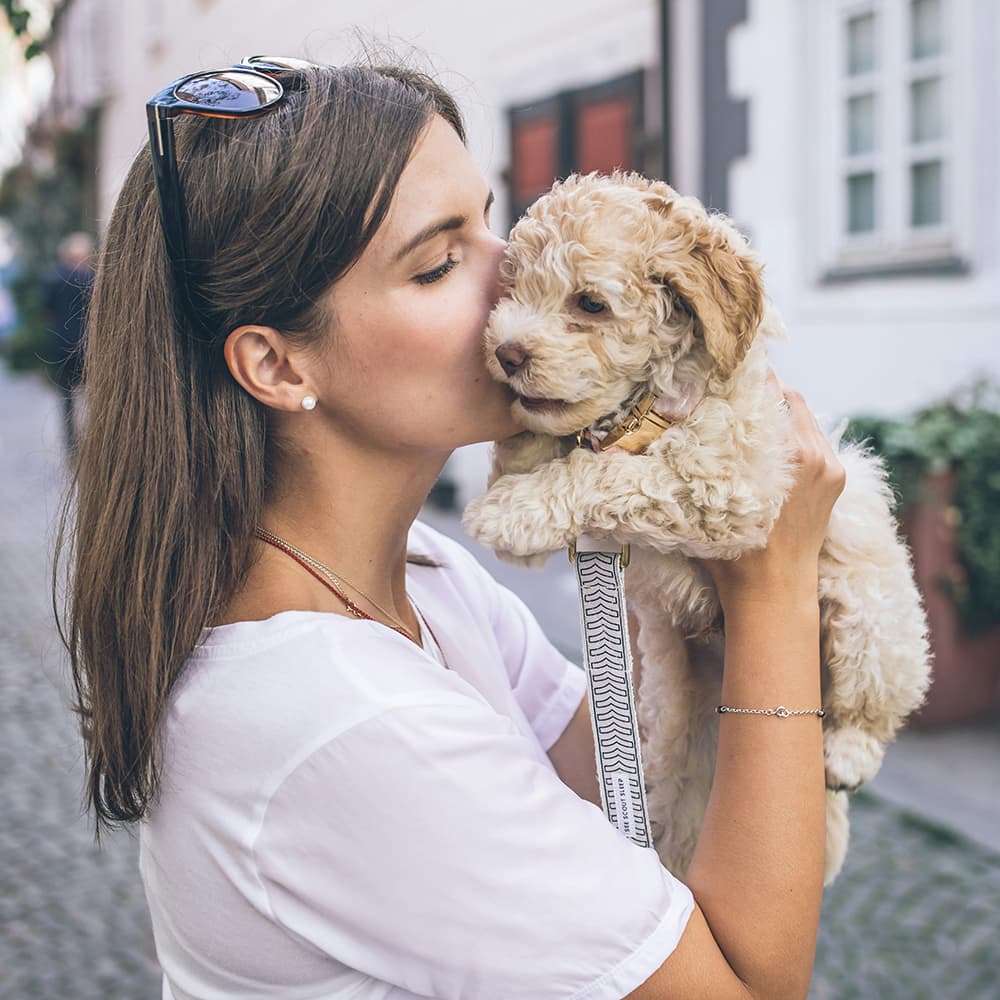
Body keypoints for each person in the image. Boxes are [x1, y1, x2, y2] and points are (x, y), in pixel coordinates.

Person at [58, 56, 844, 1000]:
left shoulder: (425, 574)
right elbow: (753, 991)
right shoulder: (344, 720)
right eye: (438, 263)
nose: (510, 274)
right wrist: (771, 587)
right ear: (275, 365)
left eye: (488, 220)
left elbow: (621, 787)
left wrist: (693, 532)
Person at [42, 231, 95, 452]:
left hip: (62, 345)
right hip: (89, 346)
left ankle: (71, 441)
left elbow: (47, 311)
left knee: (67, 397)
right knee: (93, 394)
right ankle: (93, 437)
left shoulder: (52, 280)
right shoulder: (92, 279)